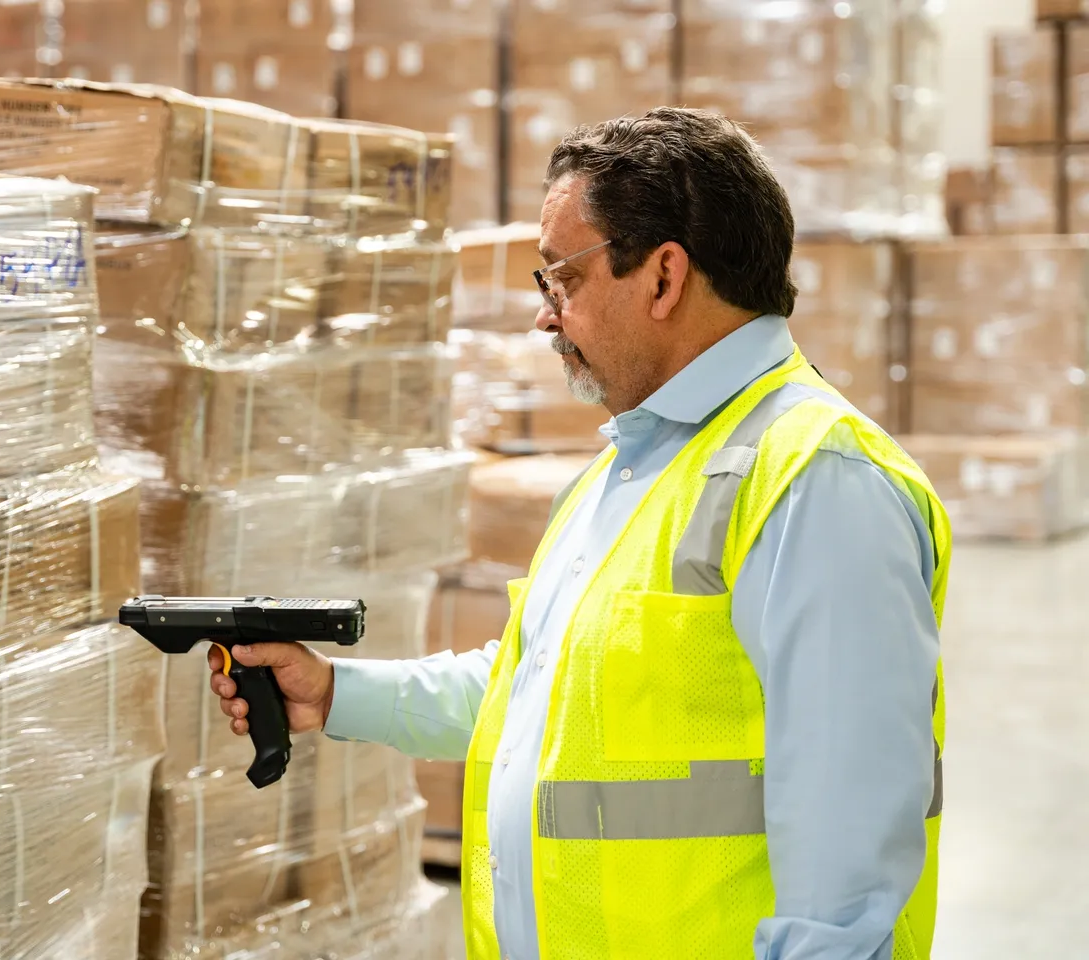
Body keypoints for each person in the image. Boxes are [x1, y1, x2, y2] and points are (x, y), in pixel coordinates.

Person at [207, 107, 951, 960]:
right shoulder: (625, 470)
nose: (544, 317)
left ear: (664, 278)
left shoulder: (818, 482)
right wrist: (335, 691)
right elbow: (541, 694)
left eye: (560, 279)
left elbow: (848, 878)